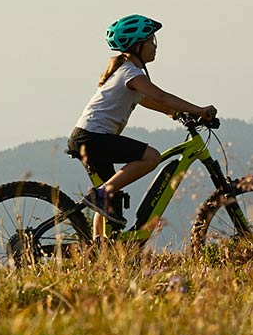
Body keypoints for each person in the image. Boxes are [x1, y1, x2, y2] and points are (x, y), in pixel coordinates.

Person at [70, 14, 217, 229]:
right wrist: (199, 110)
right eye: (151, 41)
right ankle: (100, 196)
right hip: (93, 138)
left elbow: (146, 100)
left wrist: (174, 114)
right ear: (137, 45)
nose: (155, 46)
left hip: (88, 137)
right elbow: (161, 97)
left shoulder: (128, 72)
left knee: (110, 201)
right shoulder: (130, 72)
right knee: (151, 157)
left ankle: (98, 250)